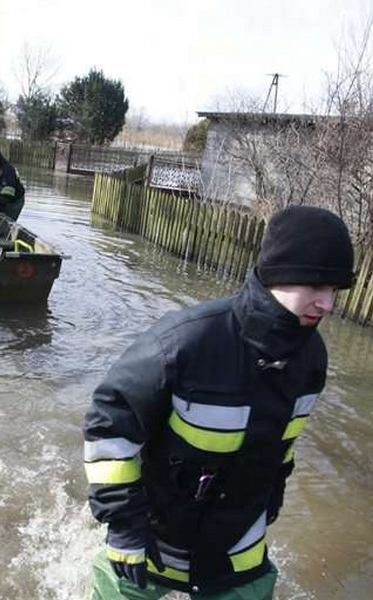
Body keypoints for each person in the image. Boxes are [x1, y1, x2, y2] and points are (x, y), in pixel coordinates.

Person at [82, 206, 355, 599]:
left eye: (335, 291)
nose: (328, 304)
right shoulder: (185, 343)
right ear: (278, 275)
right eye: (317, 287)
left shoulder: (312, 358)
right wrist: (124, 526)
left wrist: (274, 489)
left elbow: (284, 443)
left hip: (236, 542)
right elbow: (108, 427)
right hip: (154, 537)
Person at [0, 144, 26, 221]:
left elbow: (8, 192)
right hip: (0, 196)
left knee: (5, 221)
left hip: (14, 201)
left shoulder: (7, 170)